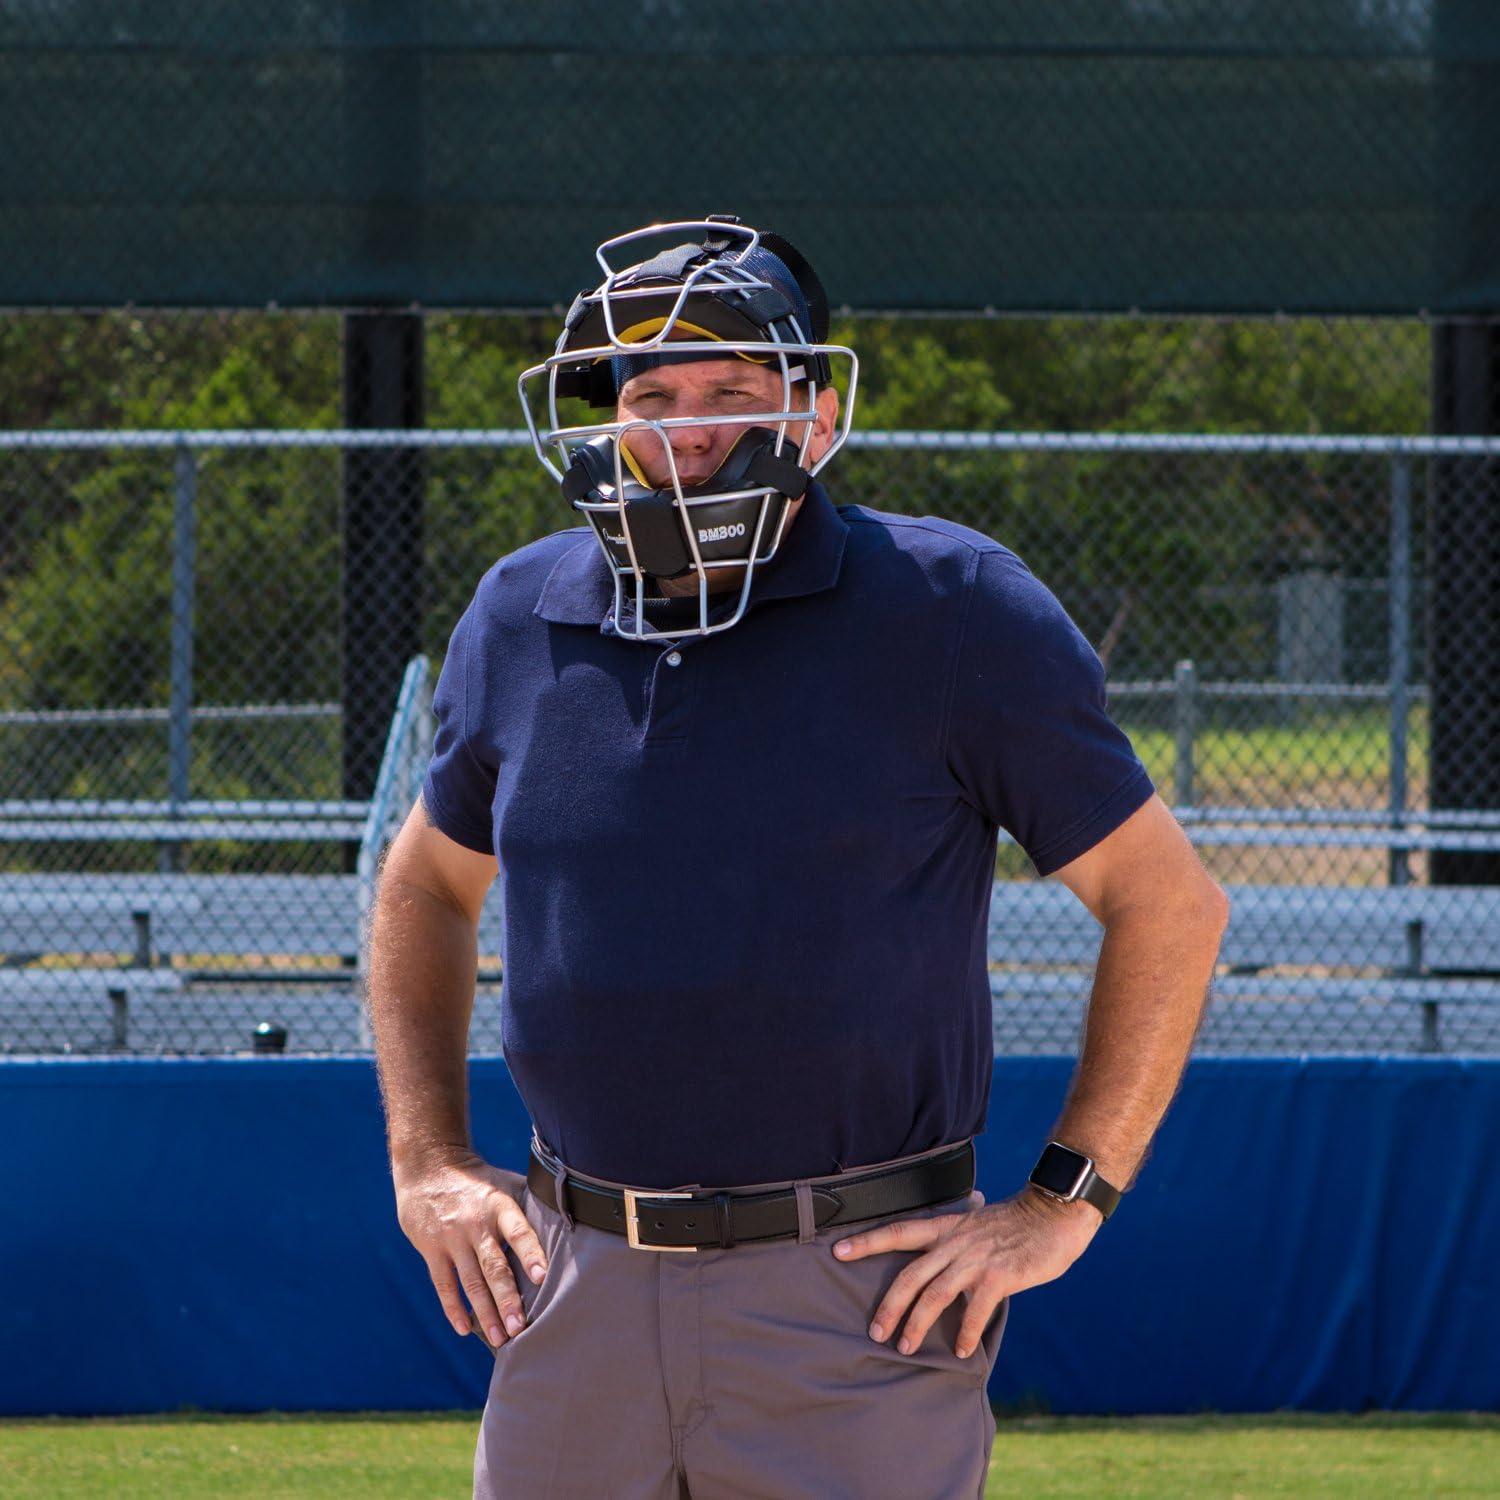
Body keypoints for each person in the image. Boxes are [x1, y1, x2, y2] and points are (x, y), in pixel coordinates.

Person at [367, 217, 1228, 1500]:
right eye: (651, 396)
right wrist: (428, 1160)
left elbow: (1170, 904)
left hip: (856, 1298)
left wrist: (1062, 1204)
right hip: (571, 1283)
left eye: (730, 391)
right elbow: (428, 887)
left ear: (816, 416)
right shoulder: (521, 613)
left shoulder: (952, 609)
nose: (686, 430)